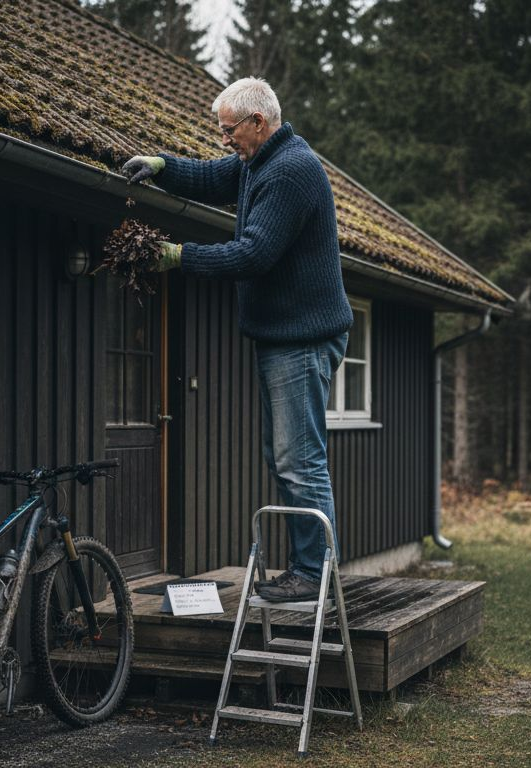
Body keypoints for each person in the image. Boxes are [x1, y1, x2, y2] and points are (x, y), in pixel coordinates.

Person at [121, 77, 352, 602]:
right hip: (284, 337)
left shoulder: (289, 172)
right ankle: (308, 568)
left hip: (303, 339)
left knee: (300, 462)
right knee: (286, 459)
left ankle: (314, 574)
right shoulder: (259, 160)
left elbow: (253, 253)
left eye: (229, 130)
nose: (224, 139)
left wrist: (179, 257)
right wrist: (161, 165)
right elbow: (211, 176)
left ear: (258, 122)